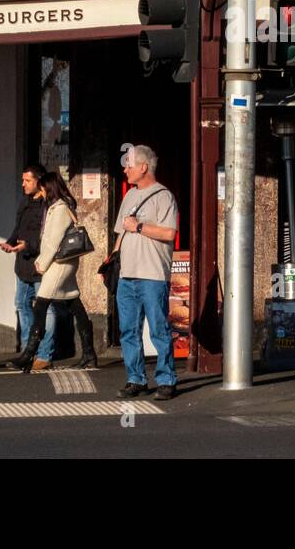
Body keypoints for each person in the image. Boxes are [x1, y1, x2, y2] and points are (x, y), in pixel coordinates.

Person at [11, 174, 98, 373]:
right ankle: (89, 354)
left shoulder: (59, 209)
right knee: (74, 303)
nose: (40, 192)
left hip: (59, 263)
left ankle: (29, 354)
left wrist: (40, 264)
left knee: (41, 304)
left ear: (48, 188)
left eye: (42, 188)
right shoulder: (59, 206)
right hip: (63, 262)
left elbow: (52, 241)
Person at [112, 145, 179, 401]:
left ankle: (166, 380)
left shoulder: (164, 196)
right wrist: (111, 261)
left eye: (129, 164)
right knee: (128, 330)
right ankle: (135, 378)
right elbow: (121, 232)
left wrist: (139, 226)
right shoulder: (129, 196)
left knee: (158, 328)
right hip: (127, 274)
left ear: (143, 167)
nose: (125, 168)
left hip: (152, 274)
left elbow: (169, 233)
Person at [0, 165, 57, 373]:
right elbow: (18, 228)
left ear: (39, 182)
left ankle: (43, 354)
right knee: (22, 304)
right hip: (22, 263)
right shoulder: (25, 201)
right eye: (23, 180)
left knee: (46, 309)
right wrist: (10, 242)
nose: (23, 184)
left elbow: (48, 237)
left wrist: (28, 245)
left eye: (27, 181)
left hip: (41, 264)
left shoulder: (50, 205)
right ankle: (27, 350)